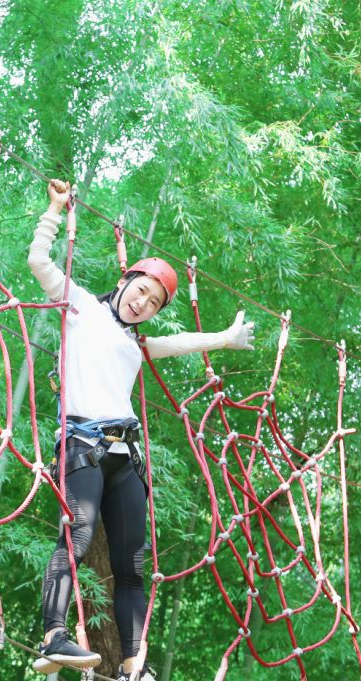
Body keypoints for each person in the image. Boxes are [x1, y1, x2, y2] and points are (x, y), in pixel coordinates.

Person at [29, 180, 255, 680]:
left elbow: (179, 342)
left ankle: (134, 666)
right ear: (126, 280)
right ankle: (52, 636)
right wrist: (54, 210)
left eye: (153, 302)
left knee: (132, 565)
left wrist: (225, 337)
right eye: (141, 291)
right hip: (81, 443)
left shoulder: (137, 345)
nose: (143, 303)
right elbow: (40, 262)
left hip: (124, 455)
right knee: (78, 534)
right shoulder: (82, 307)